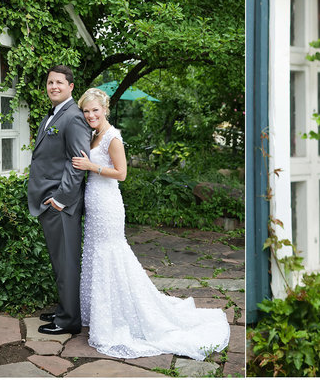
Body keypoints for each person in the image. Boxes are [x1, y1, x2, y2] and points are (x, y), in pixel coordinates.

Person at [70, 88, 230, 360]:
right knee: (97, 254)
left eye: (95, 110)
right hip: (95, 204)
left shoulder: (112, 137)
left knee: (112, 254)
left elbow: (121, 173)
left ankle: (121, 316)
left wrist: (90, 167)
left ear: (105, 109)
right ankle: (101, 313)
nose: (90, 115)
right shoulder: (93, 134)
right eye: (86, 111)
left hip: (108, 204)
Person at [27, 65, 92, 335]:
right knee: (60, 261)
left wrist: (60, 199)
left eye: (59, 83)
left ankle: (69, 321)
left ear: (71, 87)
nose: (53, 86)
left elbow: (77, 163)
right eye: (50, 82)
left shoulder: (73, 117)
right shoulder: (54, 114)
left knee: (66, 262)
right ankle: (66, 310)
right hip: (49, 200)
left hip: (61, 205)